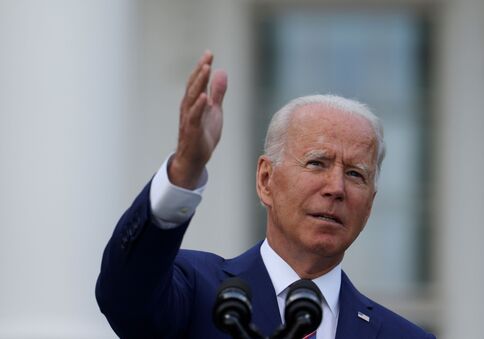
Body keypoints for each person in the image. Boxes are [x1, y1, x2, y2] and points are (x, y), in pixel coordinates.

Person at [96, 51, 435, 339]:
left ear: (370, 204)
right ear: (266, 179)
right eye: (317, 163)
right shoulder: (197, 290)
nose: (336, 188)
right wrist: (185, 169)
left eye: (355, 174)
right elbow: (126, 297)